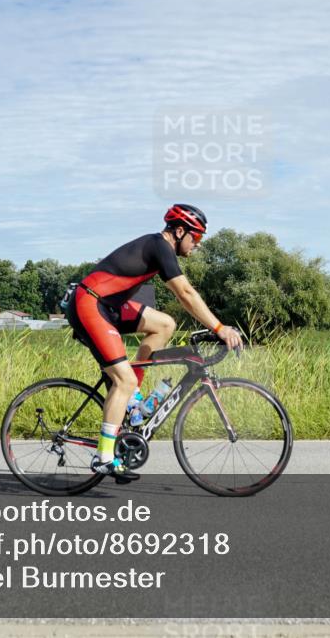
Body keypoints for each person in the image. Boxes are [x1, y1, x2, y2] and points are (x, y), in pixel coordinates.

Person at [66, 203, 243, 483]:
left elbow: (182, 300)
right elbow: (185, 293)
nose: (196, 246)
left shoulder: (160, 248)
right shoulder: (160, 246)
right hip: (90, 304)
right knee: (122, 381)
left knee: (165, 324)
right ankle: (104, 458)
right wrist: (219, 328)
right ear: (180, 230)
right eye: (195, 239)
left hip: (109, 306)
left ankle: (132, 401)